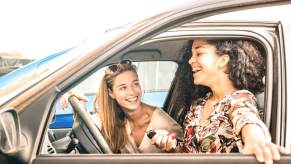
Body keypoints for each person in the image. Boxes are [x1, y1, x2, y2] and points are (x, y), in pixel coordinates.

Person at [150, 38, 286, 164]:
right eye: (192, 54)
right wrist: (170, 145)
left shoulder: (239, 100)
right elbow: (191, 153)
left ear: (223, 61)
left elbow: (248, 120)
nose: (190, 60)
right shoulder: (197, 106)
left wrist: (257, 142)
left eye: (199, 53)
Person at [60, 60, 183, 153]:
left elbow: (185, 152)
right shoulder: (114, 117)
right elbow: (89, 126)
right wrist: (72, 96)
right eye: (123, 88)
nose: (132, 92)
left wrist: (172, 147)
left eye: (135, 84)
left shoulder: (163, 123)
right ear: (111, 93)